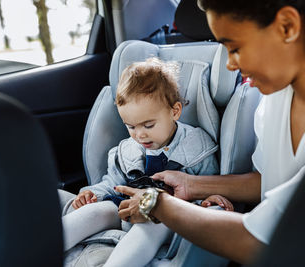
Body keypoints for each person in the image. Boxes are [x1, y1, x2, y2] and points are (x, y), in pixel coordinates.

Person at [115, 0, 305, 264]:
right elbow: (268, 180)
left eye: (235, 47)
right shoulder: (273, 99)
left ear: (287, 27)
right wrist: (191, 184)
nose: (229, 64)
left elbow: (260, 240)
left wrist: (156, 204)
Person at [58, 57, 228, 267]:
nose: (139, 135)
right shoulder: (127, 150)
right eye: (131, 126)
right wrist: (93, 193)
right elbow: (112, 181)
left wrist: (209, 199)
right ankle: (38, 251)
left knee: (153, 224)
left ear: (174, 111)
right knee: (96, 211)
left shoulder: (197, 149)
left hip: (167, 216)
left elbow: (208, 187)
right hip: (126, 207)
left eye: (148, 125)